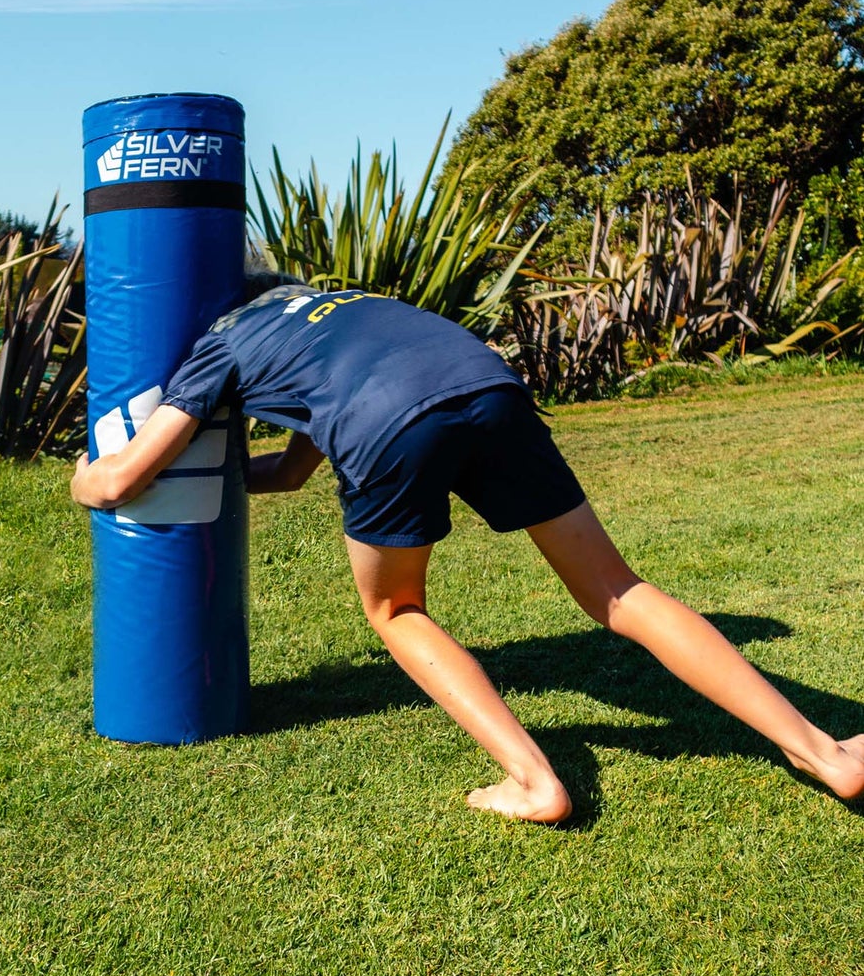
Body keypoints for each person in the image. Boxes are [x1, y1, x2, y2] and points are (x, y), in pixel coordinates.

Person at [69, 273, 864, 823]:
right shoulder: (341, 305)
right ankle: (824, 751)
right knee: (616, 590)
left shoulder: (220, 339)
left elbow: (120, 481)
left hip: (386, 419)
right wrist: (240, 474)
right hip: (485, 384)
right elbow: (293, 467)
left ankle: (533, 781)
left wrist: (83, 479)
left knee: (395, 607)